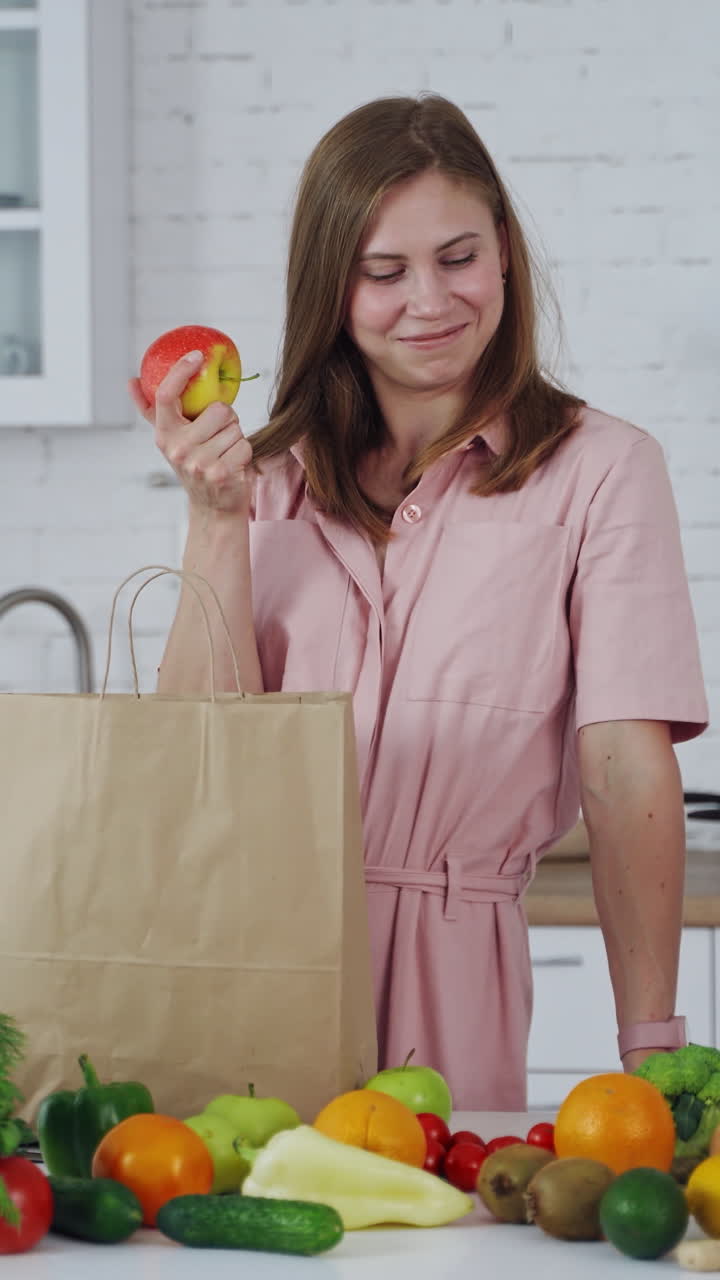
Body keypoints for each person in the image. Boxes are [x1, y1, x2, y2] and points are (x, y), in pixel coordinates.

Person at [130, 94, 708, 1111]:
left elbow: (623, 767)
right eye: (384, 271)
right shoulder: (261, 478)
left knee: (438, 1248)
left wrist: (651, 1048)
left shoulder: (603, 472)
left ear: (506, 257)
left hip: (459, 963)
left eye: (458, 257)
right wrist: (215, 521)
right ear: (332, 286)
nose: (430, 301)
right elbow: (194, 763)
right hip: (261, 963)